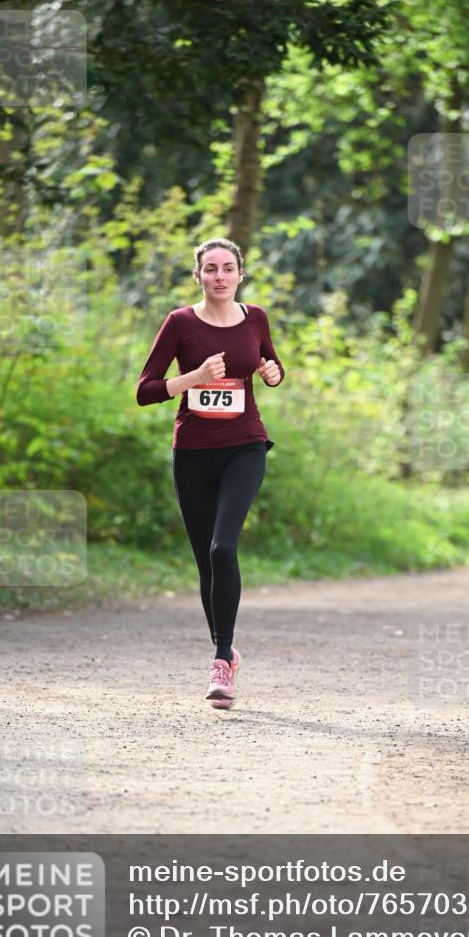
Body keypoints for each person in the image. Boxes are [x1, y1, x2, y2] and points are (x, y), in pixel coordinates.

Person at [136, 238, 285, 710]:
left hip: (245, 445)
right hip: (194, 452)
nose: (219, 276)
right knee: (206, 562)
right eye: (210, 269)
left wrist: (273, 374)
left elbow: (271, 362)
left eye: (227, 268)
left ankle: (222, 660)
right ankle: (225, 648)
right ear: (198, 276)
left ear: (240, 274)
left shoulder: (255, 317)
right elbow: (145, 390)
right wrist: (193, 378)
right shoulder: (180, 323)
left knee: (224, 547)